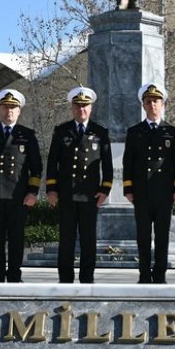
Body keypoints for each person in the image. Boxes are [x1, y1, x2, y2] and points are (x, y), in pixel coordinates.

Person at [0, 89, 42, 283]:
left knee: (16, 238)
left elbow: (36, 167)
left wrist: (32, 192)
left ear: (19, 111)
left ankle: (14, 275)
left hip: (19, 197)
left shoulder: (27, 135)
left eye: (13, 107)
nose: (9, 111)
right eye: (5, 107)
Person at [46, 87, 114, 283]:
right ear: (72, 108)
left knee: (88, 240)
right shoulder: (62, 131)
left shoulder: (100, 132)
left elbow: (107, 165)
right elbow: (52, 162)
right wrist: (51, 188)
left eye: (85, 105)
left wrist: (104, 190)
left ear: (91, 108)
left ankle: (87, 279)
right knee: (66, 240)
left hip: (89, 195)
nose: (81, 109)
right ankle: (65, 280)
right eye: (77, 105)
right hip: (66, 195)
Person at [123, 83, 175, 284]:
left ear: (163, 104)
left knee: (162, 238)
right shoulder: (134, 132)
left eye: (156, 101)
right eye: (148, 102)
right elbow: (128, 162)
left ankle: (160, 275)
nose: (152, 105)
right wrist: (128, 188)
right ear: (143, 105)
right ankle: (144, 275)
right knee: (143, 236)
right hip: (142, 192)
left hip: (164, 193)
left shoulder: (172, 132)